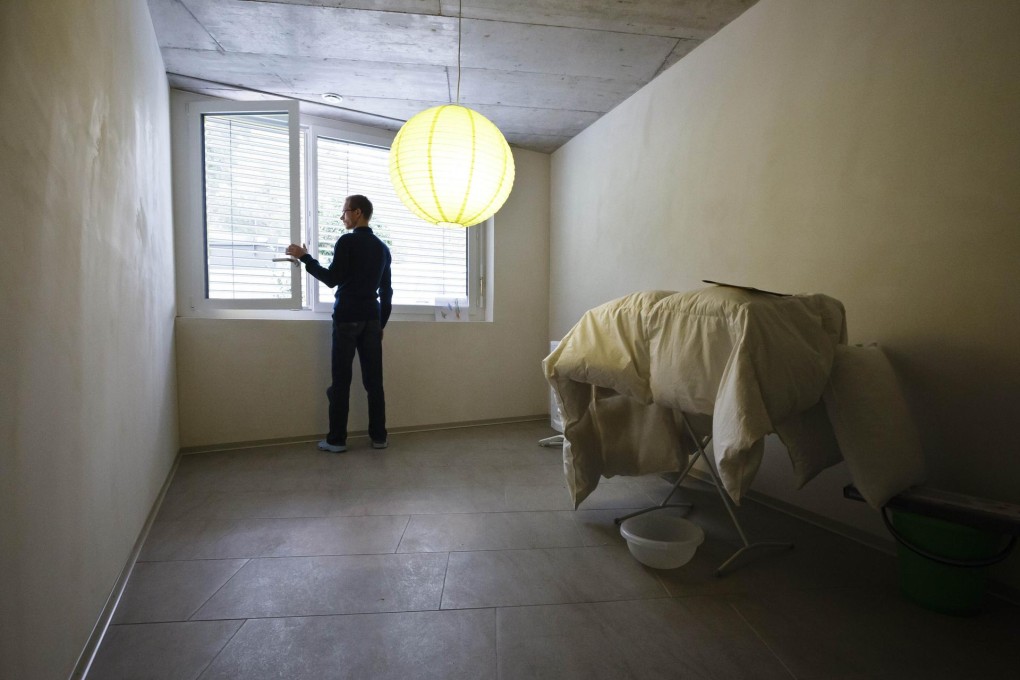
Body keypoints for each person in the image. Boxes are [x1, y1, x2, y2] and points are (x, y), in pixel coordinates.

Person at [286, 195, 392, 453]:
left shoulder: (347, 241)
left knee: (341, 381)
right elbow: (387, 291)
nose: (342, 217)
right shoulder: (382, 248)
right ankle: (379, 437)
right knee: (374, 382)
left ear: (357, 213)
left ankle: (337, 440)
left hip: (346, 318)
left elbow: (332, 279)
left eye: (344, 212)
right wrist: (381, 325)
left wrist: (306, 258)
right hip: (371, 318)